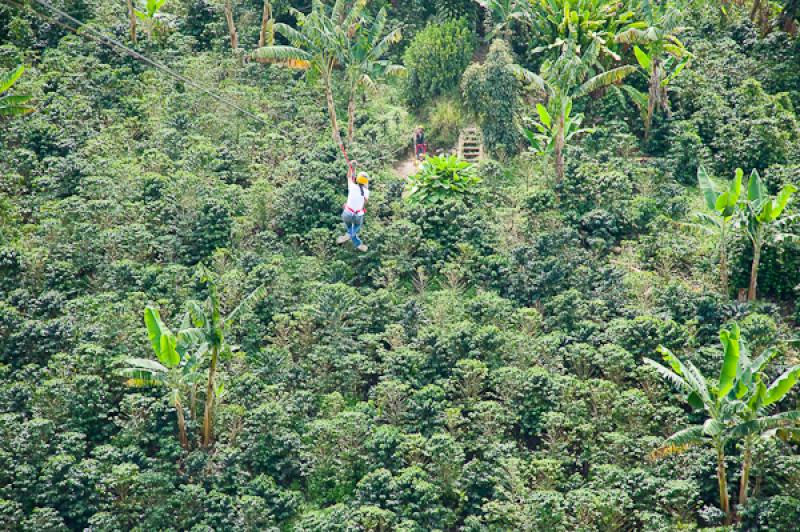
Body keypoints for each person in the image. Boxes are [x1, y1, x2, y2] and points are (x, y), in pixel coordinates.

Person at [337, 161, 370, 252]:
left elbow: (349, 176)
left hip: (347, 213)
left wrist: (352, 167)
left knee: (349, 228)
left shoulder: (352, 186)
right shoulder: (366, 192)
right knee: (357, 225)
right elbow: (364, 202)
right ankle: (352, 237)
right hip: (357, 215)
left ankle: (356, 242)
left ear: (357, 180)